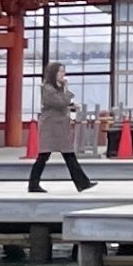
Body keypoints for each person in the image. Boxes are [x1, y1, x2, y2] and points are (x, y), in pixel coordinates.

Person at [27, 62, 97, 191]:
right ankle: (33, 184)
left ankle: (82, 182)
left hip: (59, 126)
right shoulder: (47, 88)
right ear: (53, 73)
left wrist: (70, 103)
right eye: (60, 71)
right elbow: (59, 102)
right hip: (51, 127)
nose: (63, 74)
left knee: (68, 155)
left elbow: (62, 102)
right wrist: (66, 90)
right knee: (45, 156)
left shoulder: (56, 88)